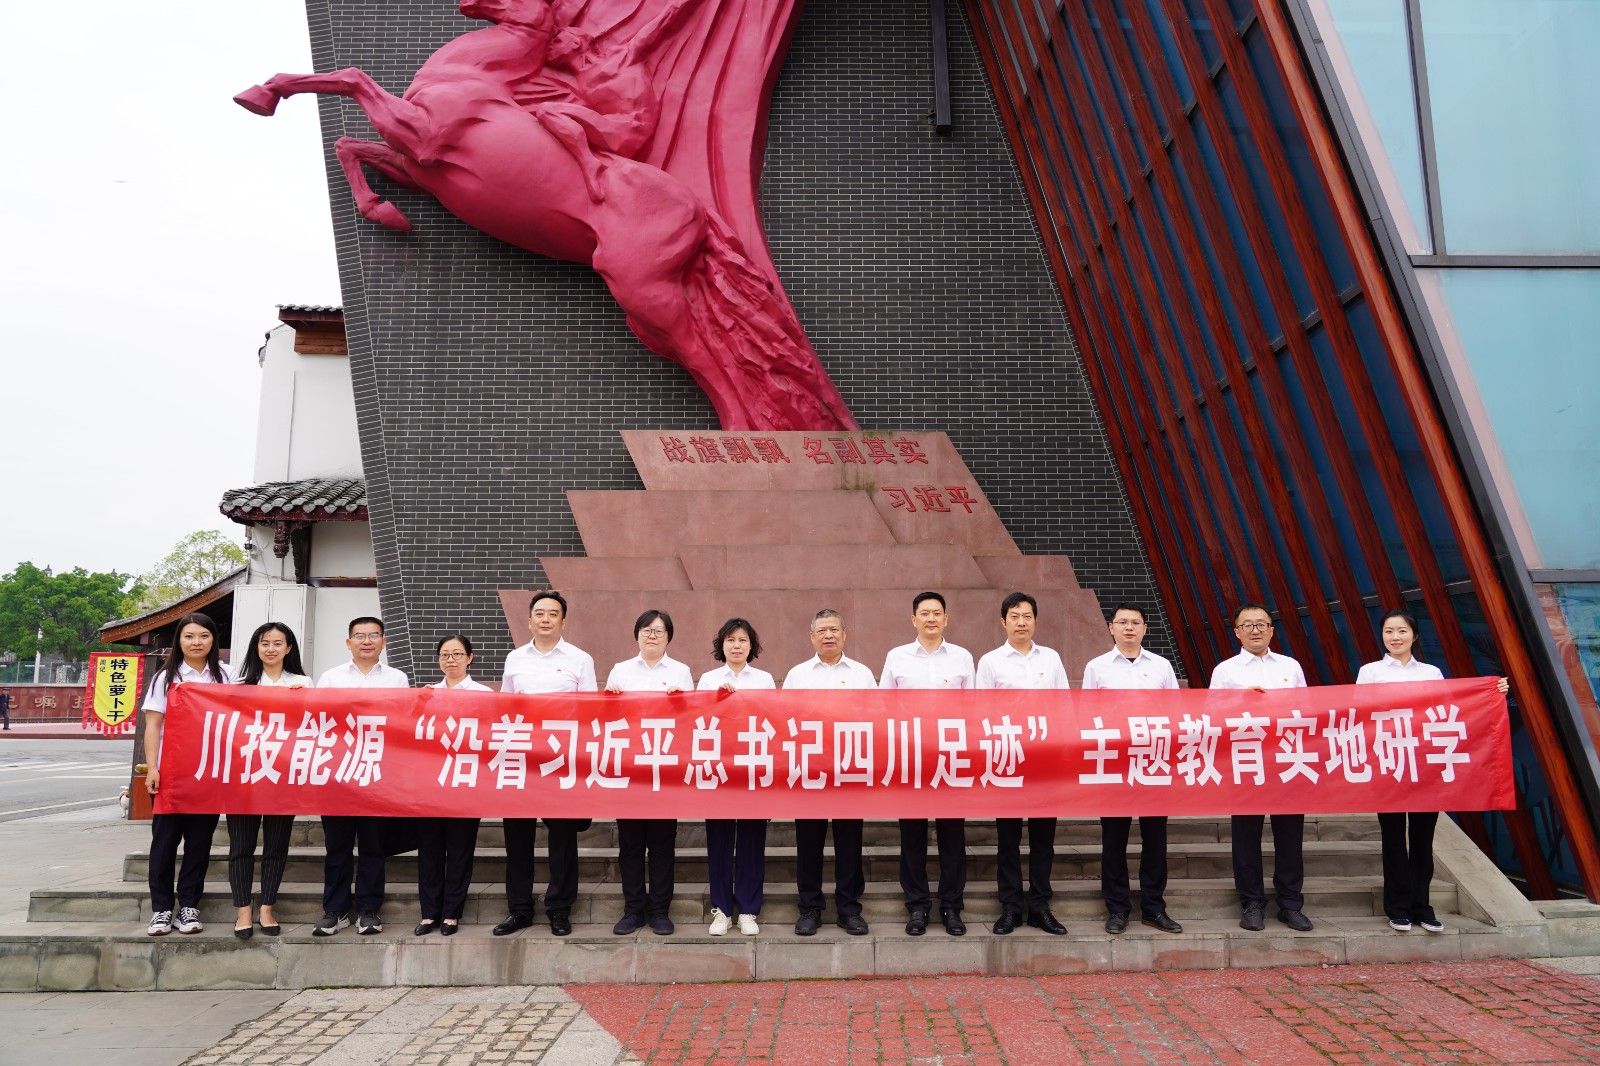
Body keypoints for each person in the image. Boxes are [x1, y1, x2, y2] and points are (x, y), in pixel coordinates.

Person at [1356, 609, 1510, 933]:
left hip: (1426, 764)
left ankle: (1422, 907)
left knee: (1423, 838)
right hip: (1389, 763)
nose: (1395, 637)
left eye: (1401, 631)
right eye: (1388, 631)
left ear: (1414, 636)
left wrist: (1491, 692)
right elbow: (1359, 712)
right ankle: (1397, 907)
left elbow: (1450, 710)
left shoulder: (1431, 672)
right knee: (1393, 838)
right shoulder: (1370, 672)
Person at [495, 590, 598, 938]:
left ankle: (559, 907)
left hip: (561, 759)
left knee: (563, 838)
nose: (545, 619)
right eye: (539, 613)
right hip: (521, 758)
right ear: (529, 621)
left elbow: (590, 711)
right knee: (517, 837)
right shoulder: (515, 659)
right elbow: (503, 707)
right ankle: (519, 909)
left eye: (553, 614)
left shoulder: (580, 659)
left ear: (563, 621)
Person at [1080, 603, 1183, 936]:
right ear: (1111, 627)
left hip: (1153, 761)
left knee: (1155, 838)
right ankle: (1117, 908)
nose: (1128, 627)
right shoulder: (1096, 667)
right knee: (1114, 838)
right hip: (1114, 763)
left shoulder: (1162, 666)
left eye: (1135, 622)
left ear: (1144, 628)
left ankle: (1154, 907)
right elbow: (1087, 714)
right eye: (1122, 622)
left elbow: (1176, 712)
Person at [1210, 604, 1312, 932]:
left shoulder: (1290, 667)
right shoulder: (1225, 671)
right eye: (1248, 625)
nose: (1255, 630)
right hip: (1246, 760)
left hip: (1286, 759)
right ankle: (1252, 902)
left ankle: (1290, 903)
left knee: (1290, 835)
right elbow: (1211, 714)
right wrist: (1241, 699)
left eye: (1261, 624)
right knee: (1246, 836)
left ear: (1271, 630)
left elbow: (1307, 709)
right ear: (1237, 632)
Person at [975, 592, 1071, 936]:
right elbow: (982, 712)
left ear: (1035, 621)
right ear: (1003, 622)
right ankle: (1011, 907)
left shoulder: (1052, 658)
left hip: (1046, 761)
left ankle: (1040, 906)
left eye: (1027, 616)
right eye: (1014, 616)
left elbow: (1064, 706)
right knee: (1008, 838)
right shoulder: (990, 662)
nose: (1021, 622)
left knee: (1044, 839)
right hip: (1008, 759)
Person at [880, 591, 975, 936]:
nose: (931, 619)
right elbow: (885, 707)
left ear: (946, 619)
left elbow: (974, 708)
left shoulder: (962, 657)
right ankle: (917, 906)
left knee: (952, 836)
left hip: (952, 757)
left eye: (937, 613)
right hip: (911, 759)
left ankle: (952, 906)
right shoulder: (897, 657)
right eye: (925, 613)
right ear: (914, 619)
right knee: (912, 836)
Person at [782, 608, 877, 937]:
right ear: (812, 637)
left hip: (849, 771)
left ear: (844, 635)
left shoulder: (862, 674)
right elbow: (784, 720)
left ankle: (849, 908)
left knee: (849, 844)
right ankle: (810, 908)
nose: (828, 635)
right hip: (810, 772)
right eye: (822, 630)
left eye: (834, 629)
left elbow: (876, 718)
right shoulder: (797, 675)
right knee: (809, 844)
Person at [313, 616, 410, 936]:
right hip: (337, 774)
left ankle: (369, 910)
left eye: (373, 635)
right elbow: (318, 720)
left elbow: (404, 722)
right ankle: (335, 910)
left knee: (373, 846)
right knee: (337, 846)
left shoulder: (397, 678)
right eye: (359, 635)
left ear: (384, 641)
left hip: (376, 774)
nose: (366, 641)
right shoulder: (331, 677)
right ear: (348, 642)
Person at [141, 612, 230, 936]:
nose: (196, 642)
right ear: (179, 640)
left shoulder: (226, 676)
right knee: (164, 843)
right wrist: (153, 767)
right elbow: (153, 726)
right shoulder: (165, 678)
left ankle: (190, 906)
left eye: (204, 636)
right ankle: (162, 909)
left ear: (213, 640)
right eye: (189, 636)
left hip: (208, 773)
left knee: (199, 844)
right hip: (172, 773)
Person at [604, 608, 692, 935]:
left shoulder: (681, 671)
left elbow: (689, 720)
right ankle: (633, 910)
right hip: (629, 770)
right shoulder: (621, 670)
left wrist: (680, 702)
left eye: (658, 631)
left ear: (668, 637)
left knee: (661, 845)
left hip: (664, 771)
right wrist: (610, 701)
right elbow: (608, 719)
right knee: (630, 845)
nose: (652, 636)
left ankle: (659, 911)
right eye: (646, 630)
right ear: (637, 635)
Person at [227, 621, 313, 939]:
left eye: (278, 643)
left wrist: (305, 699)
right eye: (265, 643)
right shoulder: (238, 684)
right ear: (256, 647)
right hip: (244, 776)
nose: (271, 649)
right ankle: (243, 911)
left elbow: (311, 725)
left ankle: (266, 908)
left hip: (282, 775)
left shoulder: (303, 682)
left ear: (288, 648)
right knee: (241, 847)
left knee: (276, 846)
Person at [696, 617, 775, 936]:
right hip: (719, 770)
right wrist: (717, 700)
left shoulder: (764, 679)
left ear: (751, 645)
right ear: (722, 645)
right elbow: (697, 720)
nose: (737, 646)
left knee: (752, 841)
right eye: (730, 640)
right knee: (719, 841)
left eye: (742, 640)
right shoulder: (708, 679)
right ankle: (721, 910)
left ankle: (748, 910)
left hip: (753, 769)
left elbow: (773, 720)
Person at [416, 633, 490, 937]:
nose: (451, 660)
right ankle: (428, 913)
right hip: (430, 783)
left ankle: (451, 913)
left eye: (457, 654)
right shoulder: (427, 694)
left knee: (460, 849)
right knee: (429, 850)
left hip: (466, 783)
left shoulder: (484, 694)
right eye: (445, 655)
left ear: (469, 658)